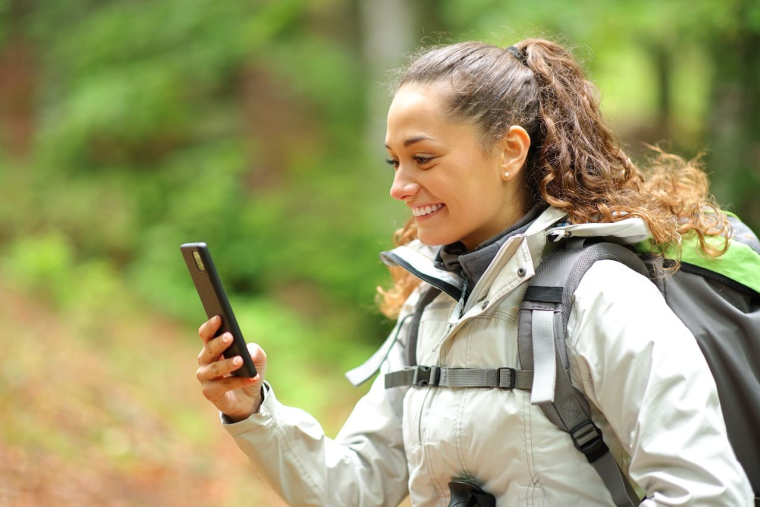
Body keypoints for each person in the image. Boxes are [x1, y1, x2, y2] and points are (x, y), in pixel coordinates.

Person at [194, 38, 753, 506]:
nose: (399, 186)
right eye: (395, 162)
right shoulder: (432, 308)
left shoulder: (601, 296)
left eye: (424, 158)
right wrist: (253, 410)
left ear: (509, 152)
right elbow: (357, 488)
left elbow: (705, 493)